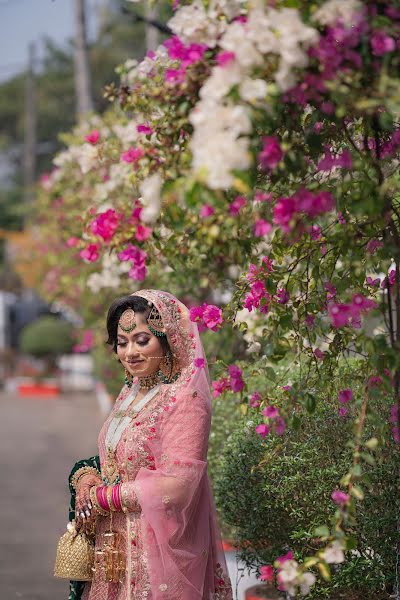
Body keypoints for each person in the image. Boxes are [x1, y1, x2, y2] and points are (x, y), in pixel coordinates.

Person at [70, 289, 233, 600]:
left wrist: (105, 497)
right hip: (113, 549)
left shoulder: (186, 399)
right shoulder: (130, 393)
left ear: (167, 339)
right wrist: (87, 480)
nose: (131, 351)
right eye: (122, 342)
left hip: (156, 554)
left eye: (142, 340)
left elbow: (178, 487)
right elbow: (118, 460)